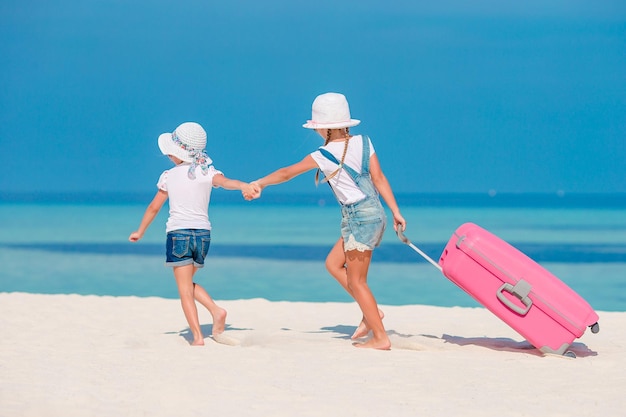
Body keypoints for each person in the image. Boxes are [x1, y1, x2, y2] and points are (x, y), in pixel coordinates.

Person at [249, 92, 406, 350]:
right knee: (333, 264)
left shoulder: (323, 154)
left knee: (357, 281)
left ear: (323, 127)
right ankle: (373, 313)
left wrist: (259, 183)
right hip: (374, 213)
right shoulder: (365, 142)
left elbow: (287, 173)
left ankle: (380, 336)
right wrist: (396, 211)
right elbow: (379, 178)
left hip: (360, 218)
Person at [129, 122, 255, 346]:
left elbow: (154, 207)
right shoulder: (208, 172)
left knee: (184, 289)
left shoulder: (169, 176)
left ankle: (198, 336)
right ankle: (216, 311)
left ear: (177, 153)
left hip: (179, 233)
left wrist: (140, 230)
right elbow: (226, 183)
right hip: (203, 235)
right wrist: (244, 185)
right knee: (187, 282)